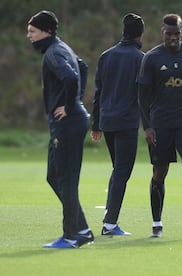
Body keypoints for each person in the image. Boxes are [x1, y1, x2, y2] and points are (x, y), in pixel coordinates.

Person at [138, 13, 182, 240]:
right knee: (160, 172)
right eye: (169, 34)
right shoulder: (151, 58)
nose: (173, 38)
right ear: (162, 33)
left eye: (176, 34)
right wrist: (147, 127)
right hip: (160, 122)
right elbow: (142, 96)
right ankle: (157, 225)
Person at [27, 10, 94, 248]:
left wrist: (69, 105)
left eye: (33, 31)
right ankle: (83, 229)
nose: (29, 36)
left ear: (47, 31)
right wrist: (76, 102)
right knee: (54, 176)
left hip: (68, 123)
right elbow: (82, 67)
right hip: (67, 123)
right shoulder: (60, 48)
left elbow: (71, 78)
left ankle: (71, 236)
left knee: (66, 180)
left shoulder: (54, 53)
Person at [91, 13, 145, 236]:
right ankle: (110, 223)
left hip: (107, 121)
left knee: (118, 170)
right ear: (141, 34)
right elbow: (145, 94)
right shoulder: (142, 58)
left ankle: (109, 220)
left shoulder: (106, 56)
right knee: (122, 171)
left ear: (123, 31)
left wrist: (95, 124)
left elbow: (98, 91)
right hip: (127, 122)